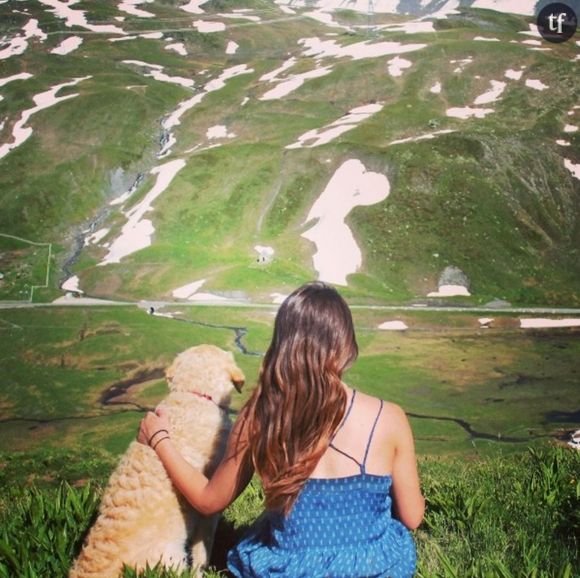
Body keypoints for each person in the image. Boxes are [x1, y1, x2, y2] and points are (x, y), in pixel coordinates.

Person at [138, 281, 425, 577]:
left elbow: (209, 501)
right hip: (371, 568)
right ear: (344, 343)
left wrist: (160, 438)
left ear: (283, 343)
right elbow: (412, 517)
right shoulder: (389, 417)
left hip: (289, 568)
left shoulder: (261, 415)